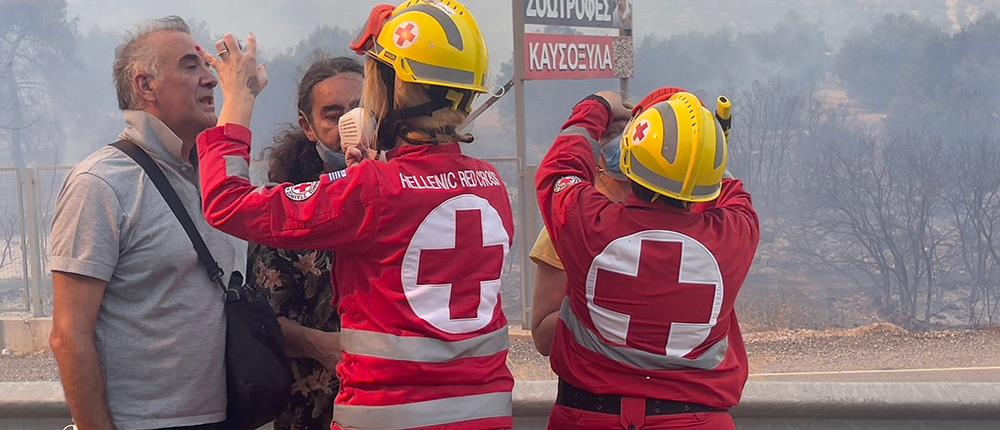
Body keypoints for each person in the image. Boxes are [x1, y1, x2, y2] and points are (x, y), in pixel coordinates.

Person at [194, 1, 515, 428]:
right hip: (487, 416)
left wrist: (237, 98)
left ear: (389, 87)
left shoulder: (371, 190)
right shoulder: (490, 184)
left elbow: (227, 203)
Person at [47, 16, 236, 430]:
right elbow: (68, 334)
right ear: (145, 85)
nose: (211, 80)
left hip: (221, 415)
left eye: (208, 66)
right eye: (191, 65)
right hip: (139, 422)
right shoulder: (100, 183)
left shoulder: (211, 179)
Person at [535, 88, 759, 429]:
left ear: (627, 158)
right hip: (696, 421)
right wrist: (697, 141)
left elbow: (559, 169)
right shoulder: (736, 235)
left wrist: (596, 106)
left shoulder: (587, 225)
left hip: (589, 417)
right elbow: (728, 191)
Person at [246, 56, 363, 430]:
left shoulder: (400, 195)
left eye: (359, 110)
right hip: (315, 407)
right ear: (308, 127)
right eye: (333, 114)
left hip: (393, 403)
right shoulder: (285, 212)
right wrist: (322, 345)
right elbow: (262, 319)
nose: (349, 124)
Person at [530, 128, 631, 356]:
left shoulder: (669, 221)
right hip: (591, 381)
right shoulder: (567, 224)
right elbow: (544, 338)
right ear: (597, 165)